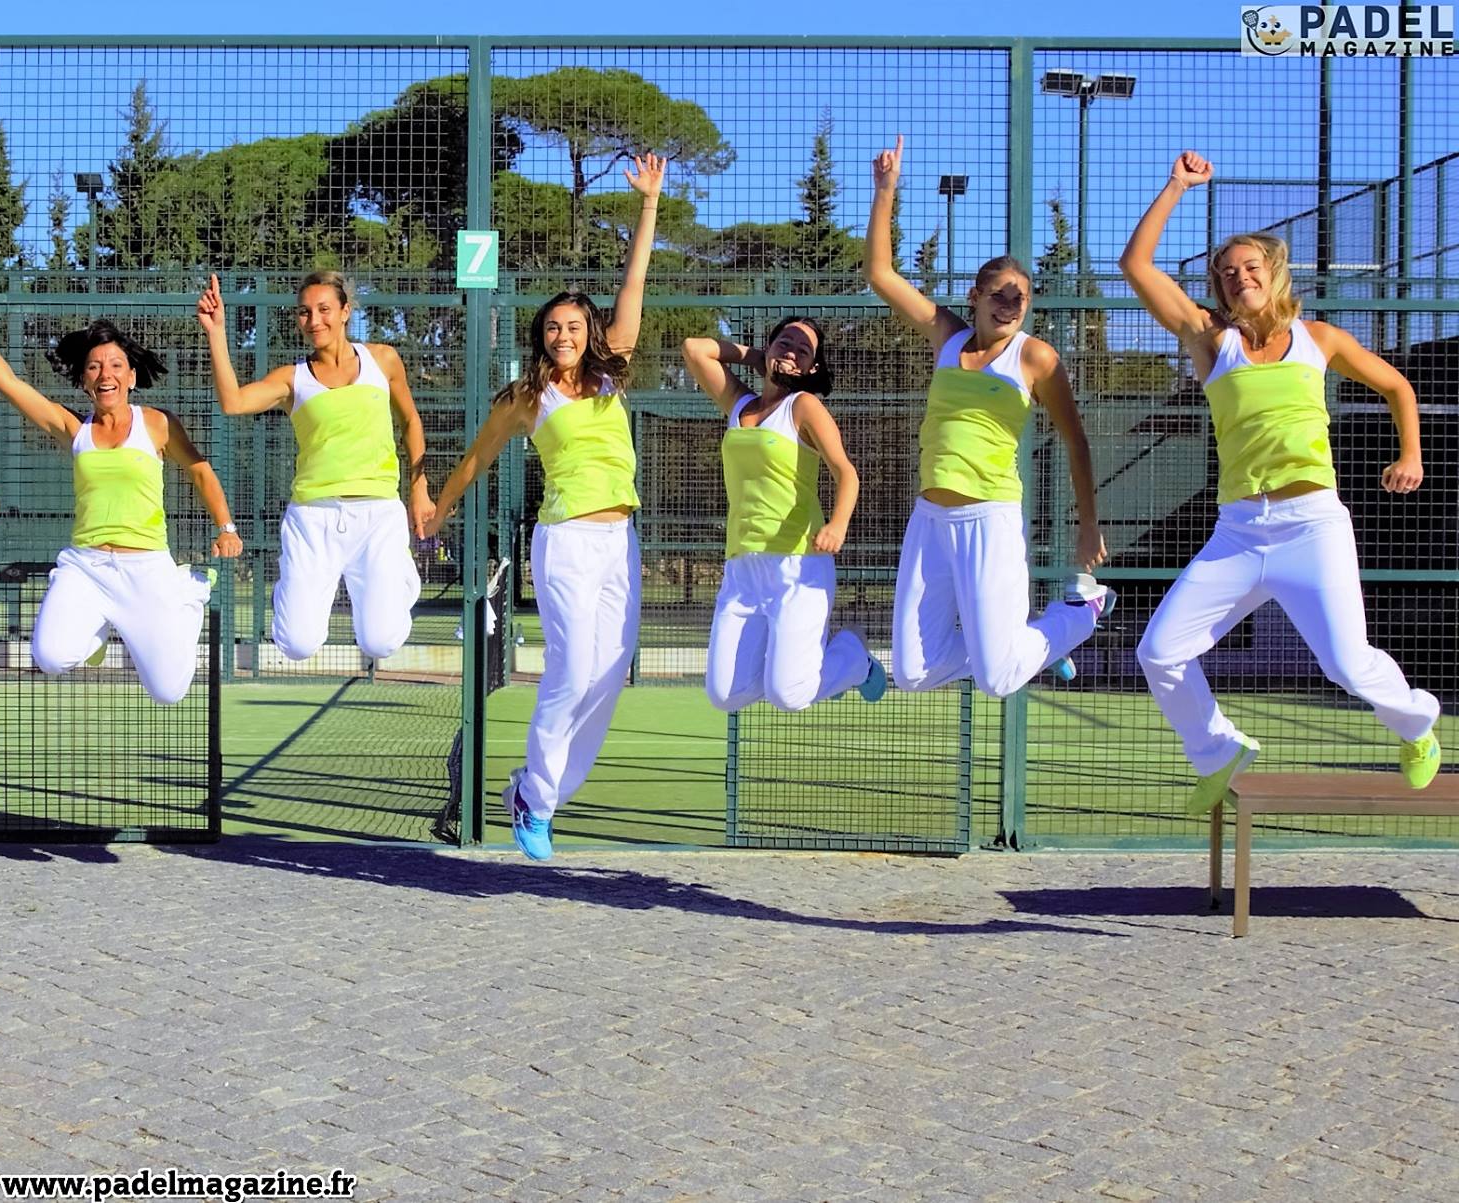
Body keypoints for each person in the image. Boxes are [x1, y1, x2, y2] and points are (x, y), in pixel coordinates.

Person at [1120, 151, 1441, 811]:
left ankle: (1416, 721)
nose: (1239, 279)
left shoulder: (1318, 338)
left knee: (1349, 666)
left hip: (1312, 525)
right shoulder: (1213, 341)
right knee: (1160, 651)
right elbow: (1137, 266)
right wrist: (1177, 185)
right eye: (1228, 273)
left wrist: (1410, 453)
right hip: (1239, 531)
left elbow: (1397, 386)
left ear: (1276, 274)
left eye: (1251, 269)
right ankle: (1219, 748)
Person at [422, 152, 668, 861]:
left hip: (621, 541)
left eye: (573, 325)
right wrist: (438, 510)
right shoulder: (529, 398)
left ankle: (536, 790)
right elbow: (474, 458)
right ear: (542, 338)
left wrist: (649, 203)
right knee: (569, 666)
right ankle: (535, 800)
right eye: (552, 328)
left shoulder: (613, 367)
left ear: (589, 331)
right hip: (562, 540)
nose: (564, 335)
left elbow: (635, 282)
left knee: (609, 670)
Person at [864, 136, 1110, 701]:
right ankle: (1032, 647)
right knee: (912, 672)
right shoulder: (946, 336)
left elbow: (1076, 442)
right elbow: (880, 273)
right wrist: (885, 191)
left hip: (990, 519)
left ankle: (1077, 615)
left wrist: (1089, 524)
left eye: (1021, 296)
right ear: (975, 295)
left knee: (999, 680)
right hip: (930, 518)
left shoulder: (1034, 357)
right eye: (1000, 291)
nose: (1011, 301)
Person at [0, 278, 239, 702]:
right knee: (50, 656)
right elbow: (10, 384)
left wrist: (226, 527)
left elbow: (200, 471)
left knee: (169, 691)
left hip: (147, 569)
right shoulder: (74, 429)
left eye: (116, 365)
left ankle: (191, 589)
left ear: (132, 377)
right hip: (85, 566)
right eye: (94, 367)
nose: (105, 373)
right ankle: (95, 635)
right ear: (85, 382)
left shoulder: (156, 424)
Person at [197, 269, 430, 664]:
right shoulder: (293, 379)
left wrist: (419, 488)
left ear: (345, 311)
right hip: (312, 518)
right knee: (297, 645)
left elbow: (410, 420)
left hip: (378, 515)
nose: (314, 320)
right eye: (304, 312)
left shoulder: (383, 360)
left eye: (324, 309)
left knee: (380, 642)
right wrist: (216, 333)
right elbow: (233, 402)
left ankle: (397, 575)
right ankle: (292, 584)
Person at [682, 316, 885, 713]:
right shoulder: (739, 403)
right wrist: (762, 359)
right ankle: (812, 668)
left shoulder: (804, 406)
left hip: (799, 565)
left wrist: (838, 523)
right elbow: (694, 349)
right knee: (726, 695)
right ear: (768, 347)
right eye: (784, 342)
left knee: (787, 694)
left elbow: (846, 472)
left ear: (813, 368)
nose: (791, 350)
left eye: (802, 350)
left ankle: (853, 657)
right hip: (742, 569)